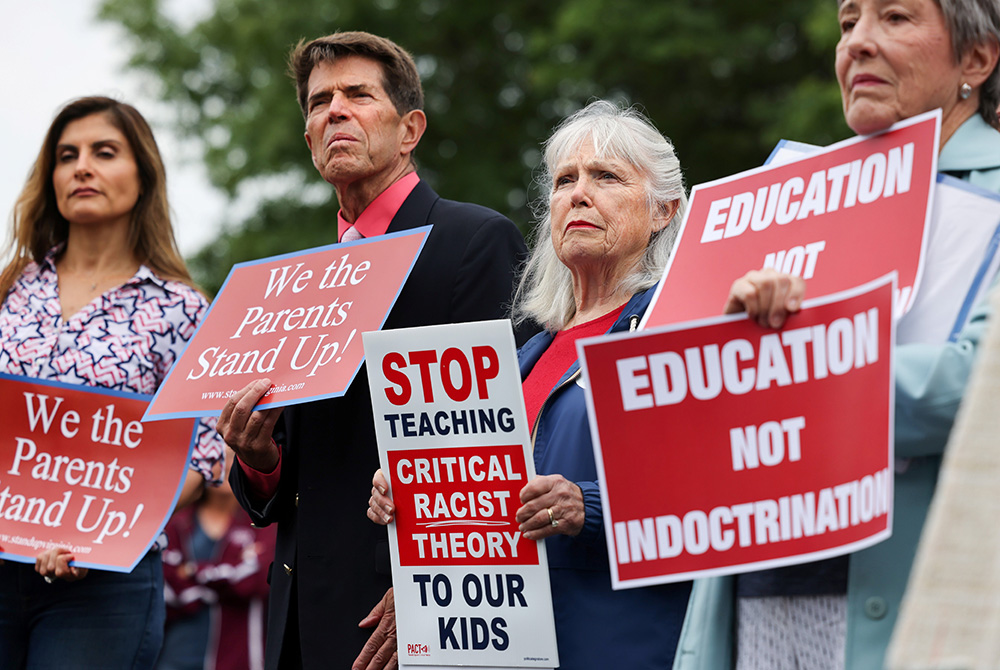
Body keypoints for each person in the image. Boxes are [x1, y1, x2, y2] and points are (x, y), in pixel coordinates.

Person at [673, 2, 1000, 669]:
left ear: (977, 58)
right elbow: (689, 410)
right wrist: (727, 346)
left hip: (914, 606)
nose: (858, 44)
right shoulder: (789, 199)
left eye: (896, 17)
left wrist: (791, 360)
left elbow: (975, 389)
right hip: (757, 601)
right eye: (849, 23)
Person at [218, 31, 530, 670]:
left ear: (410, 128)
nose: (334, 110)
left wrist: (432, 587)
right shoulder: (297, 283)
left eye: (358, 94)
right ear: (309, 139)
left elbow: (500, 439)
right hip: (297, 622)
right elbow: (291, 480)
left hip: (416, 615)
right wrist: (258, 458)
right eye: (318, 101)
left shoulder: (473, 242)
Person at [369, 99, 693, 669]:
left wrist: (587, 507)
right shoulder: (520, 357)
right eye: (565, 180)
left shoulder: (680, 328)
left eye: (606, 177)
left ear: (663, 210)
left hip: (623, 642)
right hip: (507, 650)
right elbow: (481, 505)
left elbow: (718, 491)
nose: (579, 194)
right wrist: (418, 501)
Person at [0, 96, 225, 668]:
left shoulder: (182, 308)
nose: (82, 167)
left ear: (142, 176)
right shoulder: (9, 288)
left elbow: (202, 457)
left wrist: (96, 538)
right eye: (67, 155)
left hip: (105, 589)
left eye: (104, 152)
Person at [157, 447, 275, 670]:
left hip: (240, 660)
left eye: (233, 458)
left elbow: (257, 580)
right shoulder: (175, 523)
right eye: (216, 458)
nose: (225, 465)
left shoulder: (262, 523)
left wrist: (192, 572)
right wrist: (225, 580)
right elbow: (165, 586)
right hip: (174, 658)